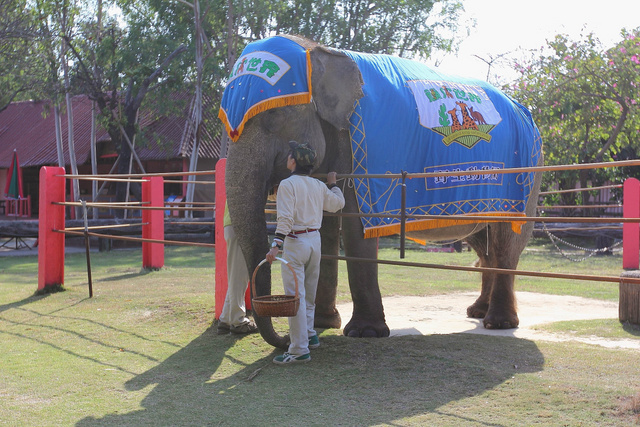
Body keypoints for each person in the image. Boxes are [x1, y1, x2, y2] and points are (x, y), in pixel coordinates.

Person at [266, 141, 345, 365]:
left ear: (292, 161)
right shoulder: (318, 186)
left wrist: (275, 245)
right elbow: (337, 204)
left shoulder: (287, 185)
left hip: (295, 241)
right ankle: (309, 335)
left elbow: (285, 218)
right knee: (309, 293)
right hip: (314, 240)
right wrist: (333, 184)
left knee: (295, 297)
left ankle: (299, 349)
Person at [217, 201, 259, 335]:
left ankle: (225, 319)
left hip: (232, 224)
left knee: (237, 275)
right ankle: (238, 321)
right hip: (240, 225)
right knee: (239, 277)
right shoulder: (247, 179)